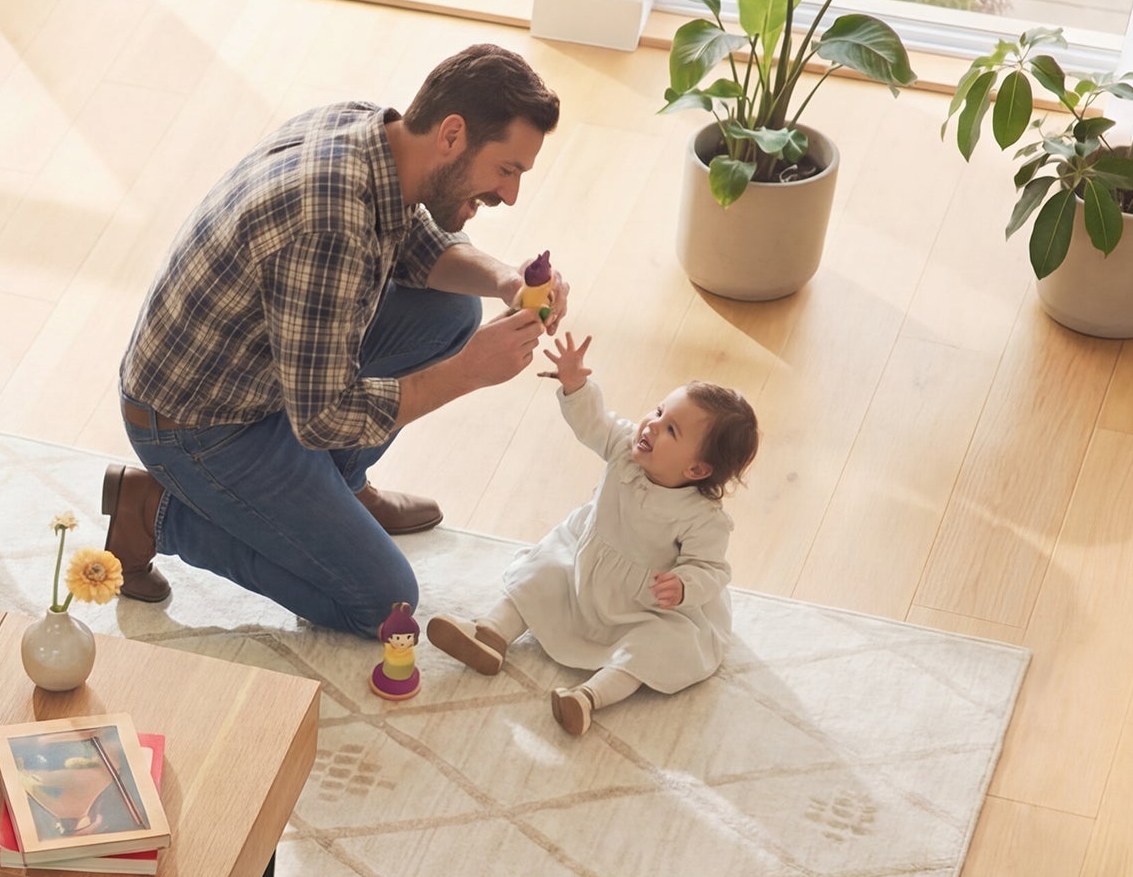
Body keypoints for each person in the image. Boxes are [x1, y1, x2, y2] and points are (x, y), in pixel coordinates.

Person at [104, 43, 569, 636]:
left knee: (452, 310)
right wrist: (467, 372)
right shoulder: (330, 220)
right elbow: (323, 418)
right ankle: (154, 513)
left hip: (259, 375)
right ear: (452, 135)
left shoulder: (370, 130)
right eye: (508, 170)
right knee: (383, 604)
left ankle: (341, 491)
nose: (510, 195)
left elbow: (414, 248)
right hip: (199, 427)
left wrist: (506, 279)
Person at [426, 331, 760, 735]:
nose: (651, 426)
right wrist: (576, 384)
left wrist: (684, 586)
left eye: (671, 430)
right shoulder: (624, 448)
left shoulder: (702, 518)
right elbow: (594, 423)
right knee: (546, 571)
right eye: (657, 412)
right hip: (588, 568)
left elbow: (710, 567)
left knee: (660, 645)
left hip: (648, 603)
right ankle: (491, 633)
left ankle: (588, 698)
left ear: (696, 470)